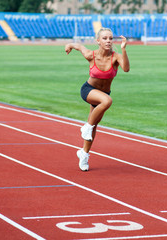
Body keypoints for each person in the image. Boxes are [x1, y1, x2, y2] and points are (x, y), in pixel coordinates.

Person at [65, 28, 130, 171]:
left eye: (110, 38)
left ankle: (84, 154)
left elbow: (126, 69)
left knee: (94, 126)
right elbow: (79, 46)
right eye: (105, 38)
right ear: (98, 41)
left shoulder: (116, 57)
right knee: (107, 102)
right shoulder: (91, 55)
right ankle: (86, 127)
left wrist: (123, 49)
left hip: (103, 93)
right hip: (88, 90)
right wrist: (69, 45)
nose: (108, 41)